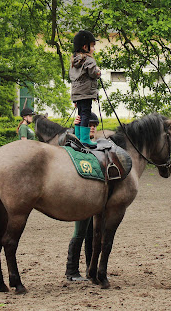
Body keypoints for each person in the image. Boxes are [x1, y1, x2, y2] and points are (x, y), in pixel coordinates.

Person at [65, 112, 100, 281]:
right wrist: (74, 127)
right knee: (79, 232)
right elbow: (65, 145)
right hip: (82, 195)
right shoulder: (77, 142)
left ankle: (89, 268)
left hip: (96, 195)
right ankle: (71, 270)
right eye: (89, 125)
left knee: (91, 235)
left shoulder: (98, 146)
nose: (92, 127)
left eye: (94, 125)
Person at [69, 29, 101, 148]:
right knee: (86, 114)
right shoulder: (89, 60)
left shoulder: (74, 61)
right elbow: (93, 73)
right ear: (85, 46)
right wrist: (98, 72)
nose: (93, 49)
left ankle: (77, 136)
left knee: (80, 114)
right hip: (86, 93)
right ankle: (85, 139)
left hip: (77, 93)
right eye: (92, 46)